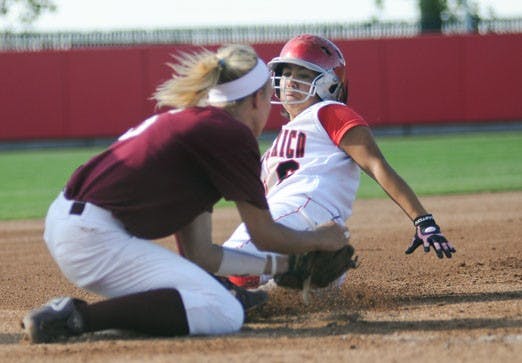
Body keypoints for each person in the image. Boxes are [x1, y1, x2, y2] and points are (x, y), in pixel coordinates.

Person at [21, 44, 349, 344]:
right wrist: (320, 239)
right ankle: (74, 319)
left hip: (73, 225)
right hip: (93, 238)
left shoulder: (203, 126)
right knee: (225, 313)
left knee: (210, 294)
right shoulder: (231, 135)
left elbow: (200, 254)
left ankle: (211, 296)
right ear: (255, 100)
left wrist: (285, 268)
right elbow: (263, 233)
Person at [222, 34, 456, 289]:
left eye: (302, 74)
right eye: (286, 72)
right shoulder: (277, 145)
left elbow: (376, 165)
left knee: (228, 265)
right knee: (261, 290)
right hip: (303, 228)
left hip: (303, 208)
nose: (289, 80)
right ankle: (309, 270)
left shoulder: (328, 111)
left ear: (329, 85)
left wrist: (423, 220)